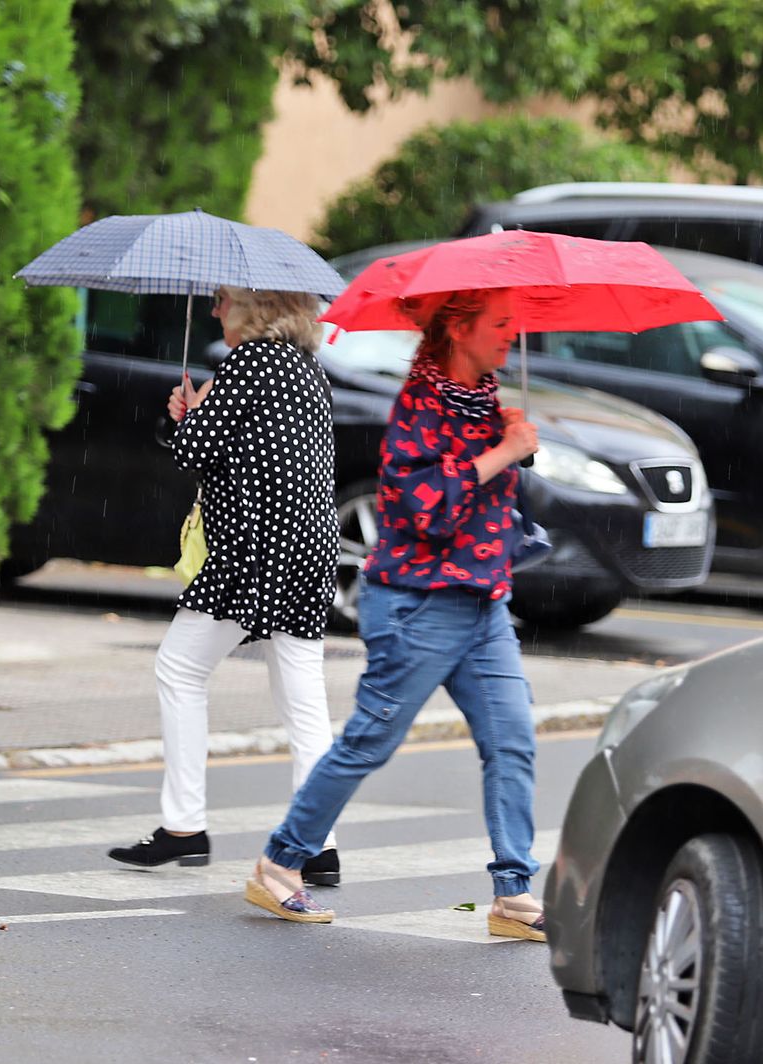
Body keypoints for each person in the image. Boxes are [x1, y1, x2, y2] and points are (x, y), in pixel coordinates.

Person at [243, 288, 550, 941]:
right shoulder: (422, 403)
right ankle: (279, 864)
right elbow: (422, 508)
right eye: (499, 323)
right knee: (369, 741)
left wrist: (511, 442)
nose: (511, 334)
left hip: (482, 603)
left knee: (512, 742)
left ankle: (514, 893)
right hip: (418, 603)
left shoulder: (483, 398)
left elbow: (486, 498)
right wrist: (502, 452)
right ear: (459, 330)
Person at [107, 286, 341, 886]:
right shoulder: (308, 369)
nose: (214, 310)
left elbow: (192, 452)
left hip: (253, 550)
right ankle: (318, 843)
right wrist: (201, 411)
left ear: (255, 307)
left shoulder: (248, 362)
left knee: (179, 669)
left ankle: (184, 827)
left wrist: (190, 413)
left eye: (222, 299)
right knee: (303, 699)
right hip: (309, 546)